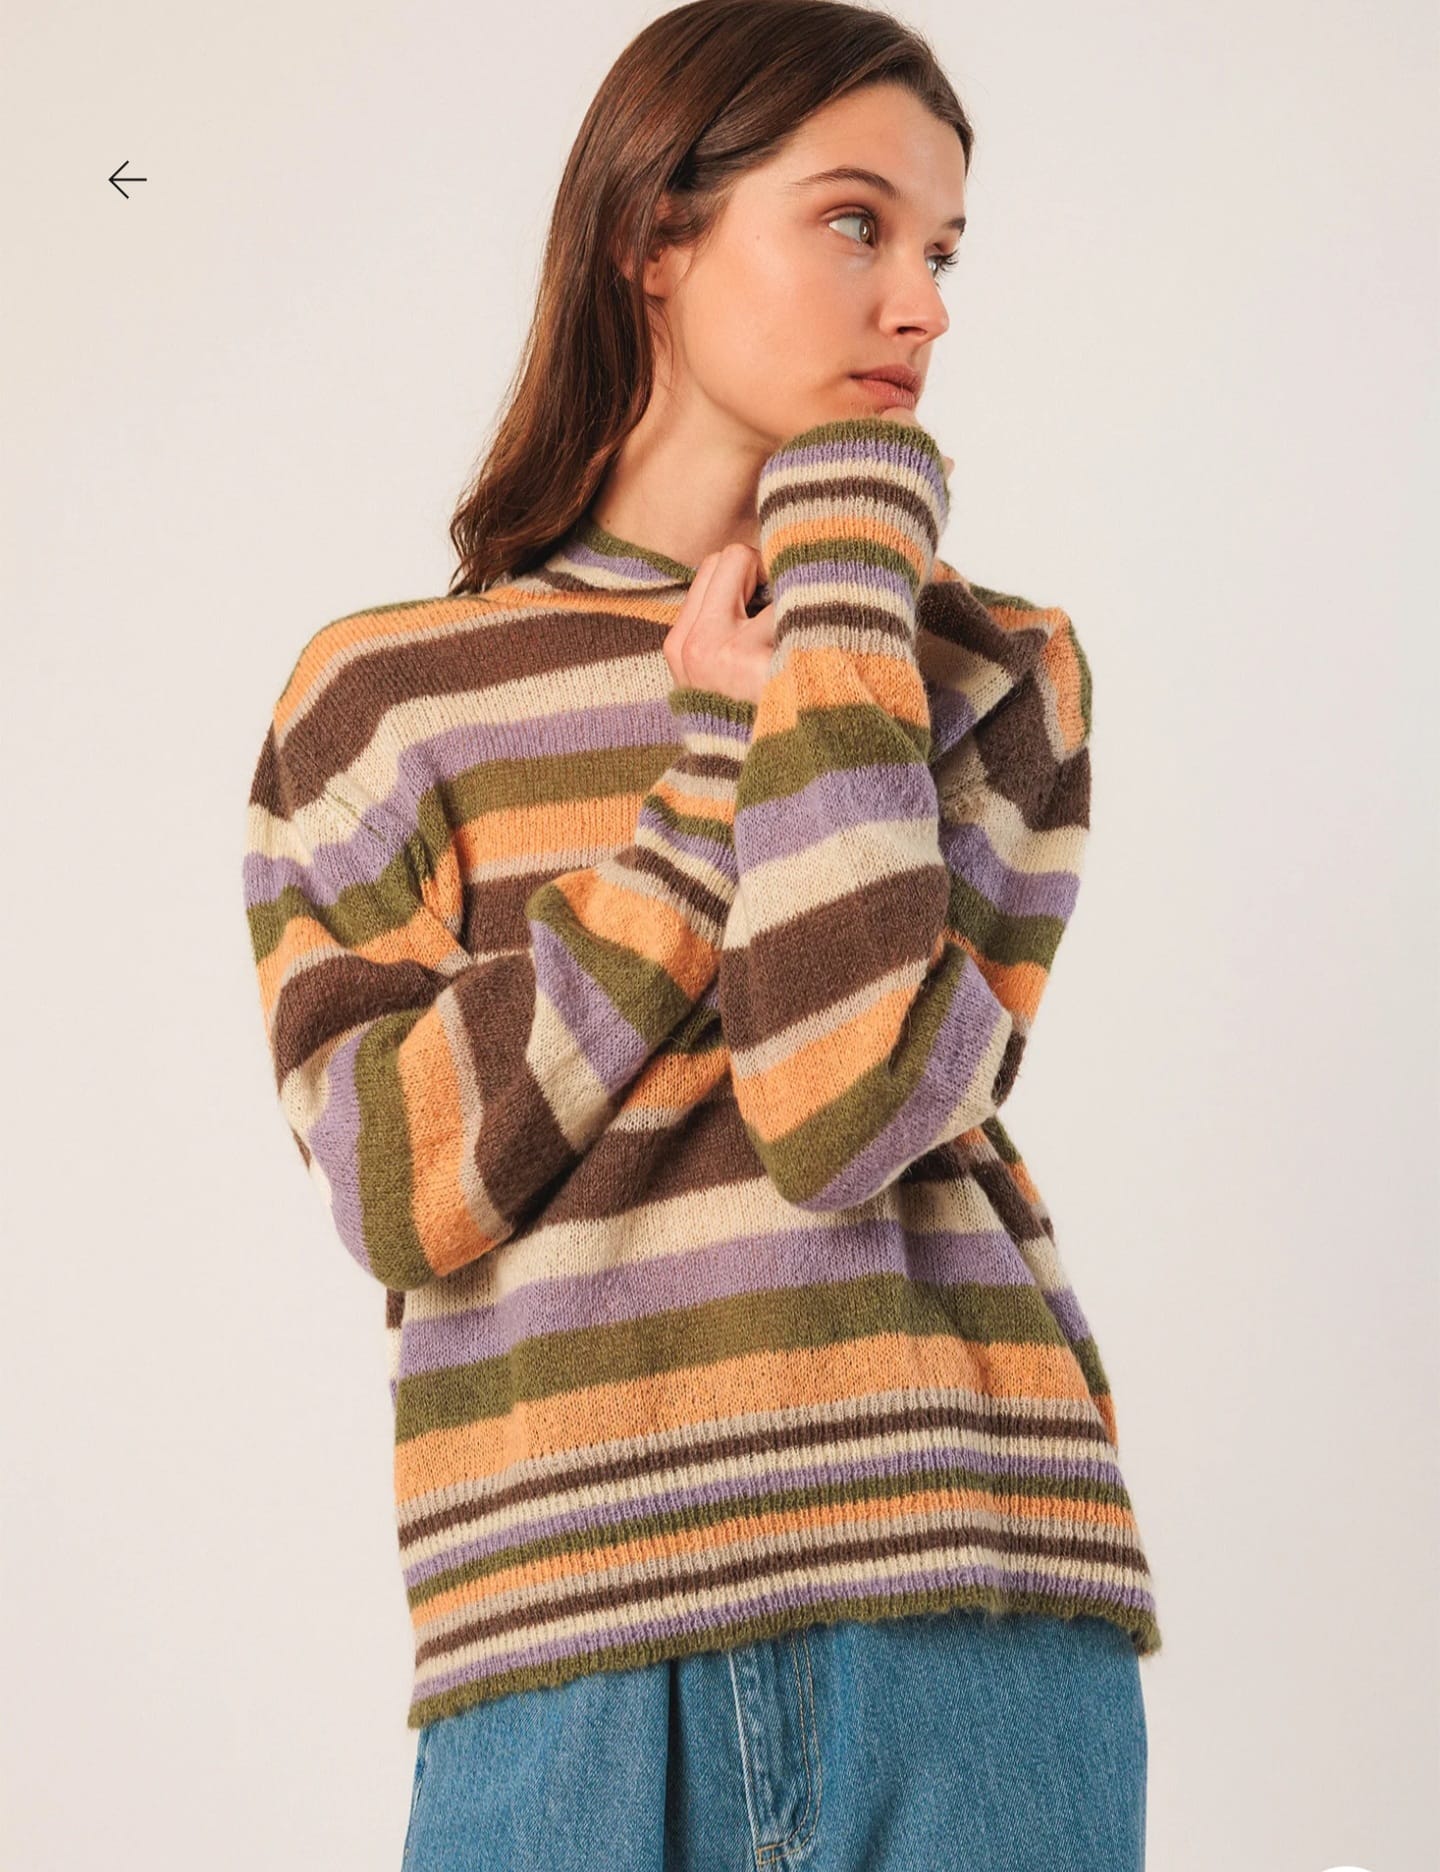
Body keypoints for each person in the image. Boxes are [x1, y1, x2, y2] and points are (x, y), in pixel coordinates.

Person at [241, 3, 1160, 1866]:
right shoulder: (381, 703)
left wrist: (848, 573)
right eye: (856, 223)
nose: (922, 304)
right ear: (652, 236)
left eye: (945, 251)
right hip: (561, 1648)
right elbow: (403, 1185)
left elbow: (843, 1101)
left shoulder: (999, 671)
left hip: (961, 1603)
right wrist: (706, 782)